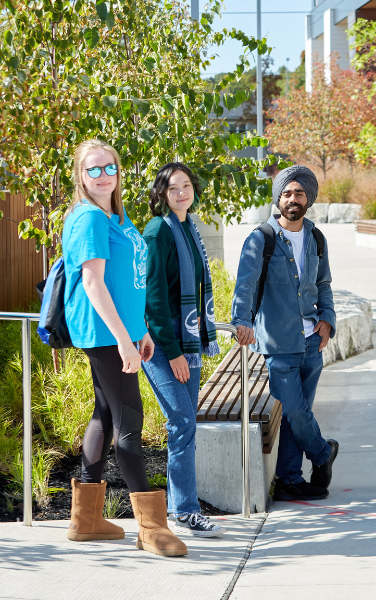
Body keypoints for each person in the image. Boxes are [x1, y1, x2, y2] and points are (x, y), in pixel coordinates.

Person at [62, 139, 187, 557]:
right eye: (92, 170)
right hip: (103, 334)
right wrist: (122, 340)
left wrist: (141, 331)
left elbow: (127, 277)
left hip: (123, 332)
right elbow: (94, 283)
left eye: (109, 168)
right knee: (130, 421)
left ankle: (87, 521)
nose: (102, 176)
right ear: (80, 176)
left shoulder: (114, 214)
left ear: (118, 171)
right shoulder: (90, 219)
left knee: (104, 415)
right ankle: (151, 528)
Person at [231, 165, 338, 501]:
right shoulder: (261, 239)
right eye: (287, 193)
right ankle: (323, 453)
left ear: (309, 199)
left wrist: (328, 318)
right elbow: (245, 286)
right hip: (278, 343)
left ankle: (290, 479)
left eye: (299, 193)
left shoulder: (316, 238)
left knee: (297, 415)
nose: (293, 199)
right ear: (278, 198)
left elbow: (323, 284)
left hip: (312, 342)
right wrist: (241, 320)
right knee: (293, 409)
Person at [142, 162, 225, 537]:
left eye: (187, 186)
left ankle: (180, 507)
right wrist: (173, 351)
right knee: (182, 423)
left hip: (186, 341)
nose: (181, 193)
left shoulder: (189, 226)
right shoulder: (159, 230)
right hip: (163, 342)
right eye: (173, 188)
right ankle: (188, 510)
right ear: (162, 193)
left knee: (185, 425)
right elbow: (154, 297)